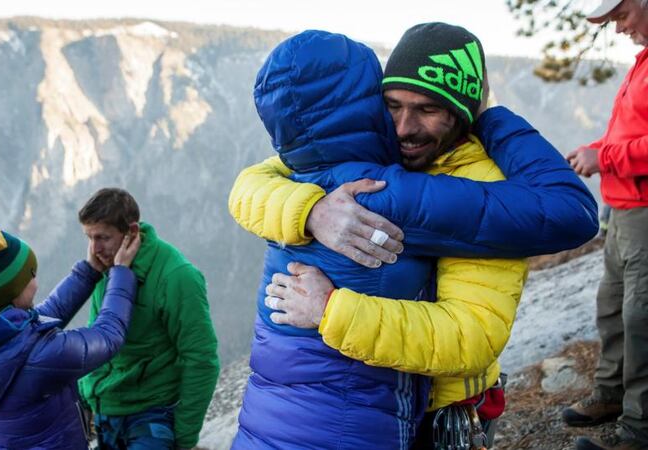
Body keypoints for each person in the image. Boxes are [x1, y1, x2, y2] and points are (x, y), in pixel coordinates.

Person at [228, 24, 600, 449]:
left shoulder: (484, 183)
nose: (404, 128)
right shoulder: (376, 159)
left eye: (428, 109)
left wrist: (333, 310)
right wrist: (309, 211)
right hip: (375, 407)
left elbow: (471, 335)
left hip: (443, 414)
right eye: (392, 105)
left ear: (463, 112)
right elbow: (252, 182)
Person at [0, 228, 140, 449]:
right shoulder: (43, 358)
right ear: (14, 288)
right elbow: (108, 336)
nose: (36, 282)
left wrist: (88, 272)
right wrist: (121, 271)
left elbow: (35, 324)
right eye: (31, 274)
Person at [561, 1, 648, 449]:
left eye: (621, 17)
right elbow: (627, 135)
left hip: (646, 211)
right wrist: (593, 151)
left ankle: (638, 430)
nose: (618, 29)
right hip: (623, 208)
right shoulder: (642, 62)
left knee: (641, 318)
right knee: (612, 307)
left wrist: (606, 158)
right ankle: (612, 394)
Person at [76, 188, 219, 450]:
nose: (94, 249)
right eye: (89, 238)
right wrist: (87, 396)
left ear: (131, 232)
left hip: (151, 414)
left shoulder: (177, 276)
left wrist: (184, 439)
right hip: (107, 413)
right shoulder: (107, 269)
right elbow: (96, 338)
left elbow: (201, 358)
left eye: (102, 238)